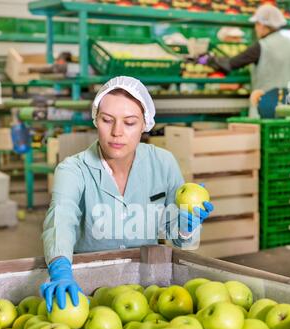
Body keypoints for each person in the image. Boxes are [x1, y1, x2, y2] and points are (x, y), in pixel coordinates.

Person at [40, 76, 214, 312]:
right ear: (95, 120)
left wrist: (185, 225)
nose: (116, 132)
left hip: (148, 291)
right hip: (86, 291)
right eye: (107, 120)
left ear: (145, 124)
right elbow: (62, 216)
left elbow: (177, 236)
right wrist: (60, 268)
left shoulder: (162, 163)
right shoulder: (73, 169)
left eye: (130, 122)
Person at [199, 4, 290, 116]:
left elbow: (230, 64)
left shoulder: (262, 46)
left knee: (264, 130)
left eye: (256, 24)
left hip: (267, 103)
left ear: (262, 25)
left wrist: (205, 60)